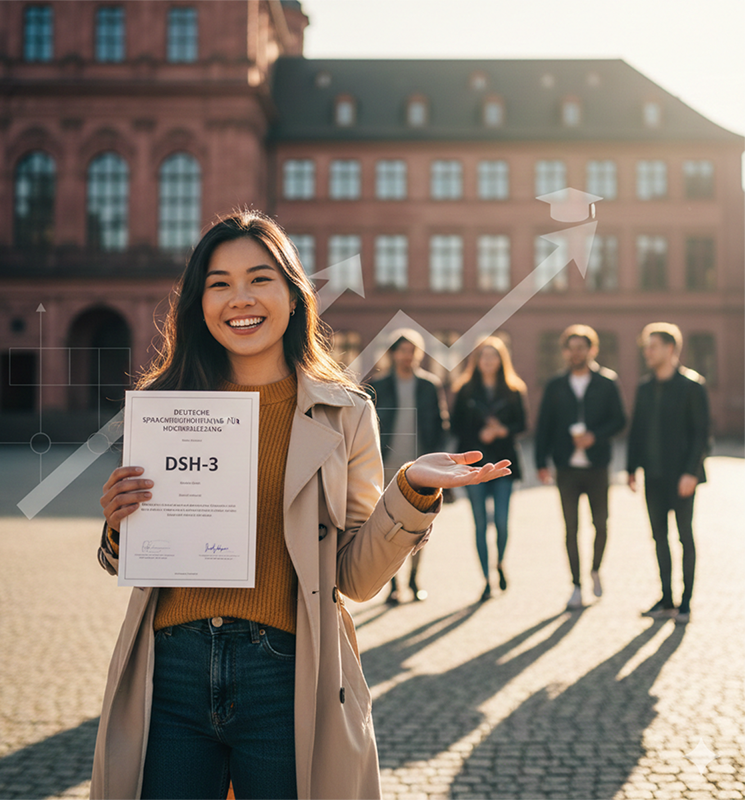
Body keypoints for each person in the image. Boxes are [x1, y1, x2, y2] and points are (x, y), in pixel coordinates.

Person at [90, 210, 511, 800]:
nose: (240, 298)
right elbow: (132, 559)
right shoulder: (165, 407)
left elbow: (354, 577)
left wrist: (411, 492)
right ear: (199, 303)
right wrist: (118, 527)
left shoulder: (345, 413)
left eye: (260, 279)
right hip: (170, 668)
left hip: (286, 669)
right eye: (219, 283)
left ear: (293, 296)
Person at [535, 324, 626, 610]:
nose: (575, 353)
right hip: (566, 468)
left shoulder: (607, 382)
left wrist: (595, 436)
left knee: (601, 524)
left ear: (592, 350)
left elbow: (620, 420)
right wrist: (540, 462)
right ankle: (576, 585)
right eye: (571, 348)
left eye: (581, 348)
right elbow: (544, 425)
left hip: (597, 466)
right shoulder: (555, 385)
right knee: (571, 528)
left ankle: (595, 569)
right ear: (565, 352)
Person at [627, 322, 710, 624]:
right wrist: (631, 468)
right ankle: (666, 600)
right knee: (659, 538)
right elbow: (637, 430)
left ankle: (685, 604)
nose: (647, 352)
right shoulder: (644, 387)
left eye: (653, 347)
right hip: (654, 476)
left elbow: (702, 434)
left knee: (684, 537)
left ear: (670, 348)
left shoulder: (692, 385)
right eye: (646, 347)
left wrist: (691, 472)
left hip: (682, 477)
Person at [367, 329, 449, 603]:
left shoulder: (429, 385)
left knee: (418, 526)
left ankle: (414, 579)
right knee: (388, 527)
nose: (407, 356)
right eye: (402, 350)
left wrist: (441, 466)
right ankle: (392, 584)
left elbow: (440, 425)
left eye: (412, 351)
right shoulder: (377, 386)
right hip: (385, 466)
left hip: (420, 468)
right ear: (393, 354)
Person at [451, 336, 527, 602]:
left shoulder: (514, 389)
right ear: (477, 360)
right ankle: (485, 578)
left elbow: (522, 423)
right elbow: (455, 426)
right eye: (484, 356)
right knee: (480, 523)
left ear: (501, 360)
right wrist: (479, 434)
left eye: (493, 356)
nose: (488, 361)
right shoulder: (465, 391)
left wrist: (503, 430)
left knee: (502, 522)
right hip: (475, 468)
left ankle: (500, 563)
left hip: (504, 464)